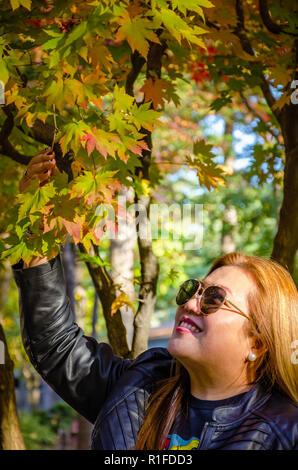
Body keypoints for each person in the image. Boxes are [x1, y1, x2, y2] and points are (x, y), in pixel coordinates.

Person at [11, 149, 298, 450]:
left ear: (258, 342)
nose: (188, 304)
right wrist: (37, 228)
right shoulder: (140, 385)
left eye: (214, 298)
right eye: (193, 289)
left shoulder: (283, 432)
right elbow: (55, 344)